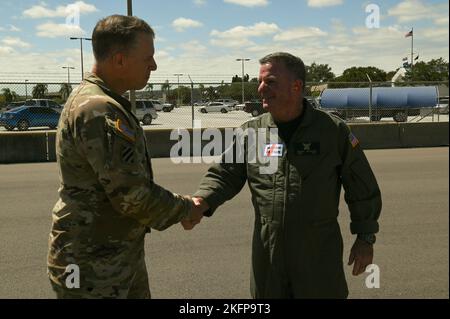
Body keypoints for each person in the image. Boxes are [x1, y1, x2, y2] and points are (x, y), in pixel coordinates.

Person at [190, 52, 382, 298]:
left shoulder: (332, 131)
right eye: (260, 82)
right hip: (268, 259)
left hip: (318, 258)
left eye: (270, 82)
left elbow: (362, 186)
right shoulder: (251, 133)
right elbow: (225, 175)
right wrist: (201, 200)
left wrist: (365, 237)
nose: (260, 89)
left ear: (296, 86)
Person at [47, 15, 202, 299]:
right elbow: (132, 195)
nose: (154, 66)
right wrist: (185, 209)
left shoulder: (100, 100)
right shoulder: (98, 108)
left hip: (112, 259)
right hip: (91, 268)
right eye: (148, 58)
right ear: (119, 60)